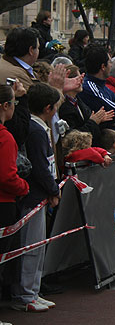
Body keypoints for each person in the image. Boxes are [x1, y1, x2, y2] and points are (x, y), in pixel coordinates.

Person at [12, 82, 61, 312]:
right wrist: (53, 189)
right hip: (34, 196)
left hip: (37, 194)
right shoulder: (37, 131)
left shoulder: (37, 128)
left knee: (36, 245)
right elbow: (40, 167)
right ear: (49, 108)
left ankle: (32, 290)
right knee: (31, 246)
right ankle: (27, 293)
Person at [0, 84, 29, 325]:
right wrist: (24, 187)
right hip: (4, 204)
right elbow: (7, 177)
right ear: (6, 106)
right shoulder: (5, 137)